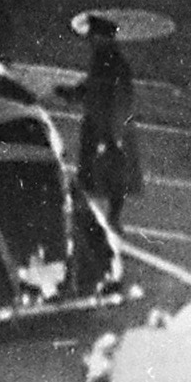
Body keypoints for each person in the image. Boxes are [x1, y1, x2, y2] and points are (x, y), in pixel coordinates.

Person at [70, 18, 142, 234]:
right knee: (105, 177)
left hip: (108, 128)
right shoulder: (106, 60)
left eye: (94, 37)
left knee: (111, 177)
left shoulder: (110, 62)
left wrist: (111, 136)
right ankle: (108, 219)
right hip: (106, 126)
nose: (91, 41)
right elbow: (93, 89)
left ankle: (110, 220)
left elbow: (117, 99)